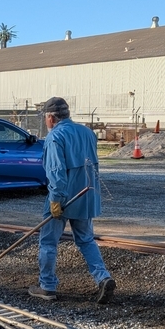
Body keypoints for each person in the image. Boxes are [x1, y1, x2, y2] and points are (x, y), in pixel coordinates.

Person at [28, 96, 116, 304]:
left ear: (50, 118)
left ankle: (47, 286)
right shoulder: (87, 133)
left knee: (48, 242)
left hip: (63, 198)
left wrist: (56, 200)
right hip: (85, 196)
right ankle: (103, 278)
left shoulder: (54, 137)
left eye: (45, 117)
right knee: (86, 240)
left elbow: (56, 172)